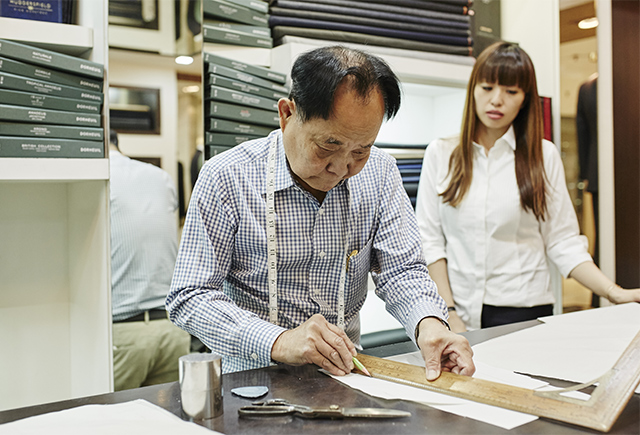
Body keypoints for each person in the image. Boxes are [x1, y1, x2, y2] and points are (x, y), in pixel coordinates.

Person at [166, 46, 475, 381]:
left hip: (347, 380)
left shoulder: (381, 173)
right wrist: (279, 340)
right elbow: (189, 297)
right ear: (287, 115)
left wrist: (428, 324)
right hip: (250, 385)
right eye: (328, 146)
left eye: (361, 150)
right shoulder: (227, 177)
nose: (342, 167)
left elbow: (401, 271)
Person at [415, 42, 640, 333]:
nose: (497, 100)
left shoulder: (543, 156)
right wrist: (448, 309)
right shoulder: (442, 152)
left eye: (511, 91)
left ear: (524, 99)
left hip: (524, 310)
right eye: (487, 88)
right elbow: (430, 240)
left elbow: (563, 242)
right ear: (473, 89)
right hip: (458, 310)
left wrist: (613, 292)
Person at [109, 129, 191, 390]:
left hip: (123, 332)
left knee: (112, 423)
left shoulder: (98, 177)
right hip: (172, 329)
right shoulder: (161, 178)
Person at [576, 73, 600, 308]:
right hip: (599, 175)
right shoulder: (589, 87)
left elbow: (582, 134)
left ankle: (598, 299)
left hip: (596, 174)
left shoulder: (588, 86)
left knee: (601, 240)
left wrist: (585, 173)